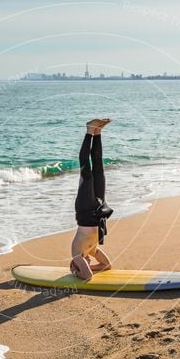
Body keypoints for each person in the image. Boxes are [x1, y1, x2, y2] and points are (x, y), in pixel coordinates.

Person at [70, 118, 114, 280]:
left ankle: (89, 130)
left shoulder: (76, 253)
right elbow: (106, 265)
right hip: (98, 209)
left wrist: (77, 271)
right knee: (98, 167)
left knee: (86, 170)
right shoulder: (93, 250)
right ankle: (98, 133)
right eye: (84, 264)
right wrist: (92, 266)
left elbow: (87, 276)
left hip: (85, 209)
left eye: (82, 264)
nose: (85, 263)